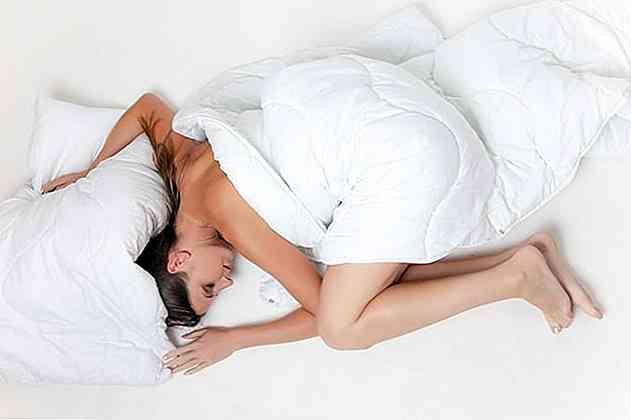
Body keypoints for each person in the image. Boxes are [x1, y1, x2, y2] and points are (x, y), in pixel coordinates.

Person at [43, 92, 604, 376]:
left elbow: (322, 312)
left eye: (209, 286)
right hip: (375, 132)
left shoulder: (225, 212)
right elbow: (147, 108)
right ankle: (524, 255)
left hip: (396, 157)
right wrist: (92, 172)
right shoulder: (183, 168)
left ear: (177, 259)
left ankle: (515, 279)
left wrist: (236, 339)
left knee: (342, 327)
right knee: (356, 288)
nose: (228, 282)